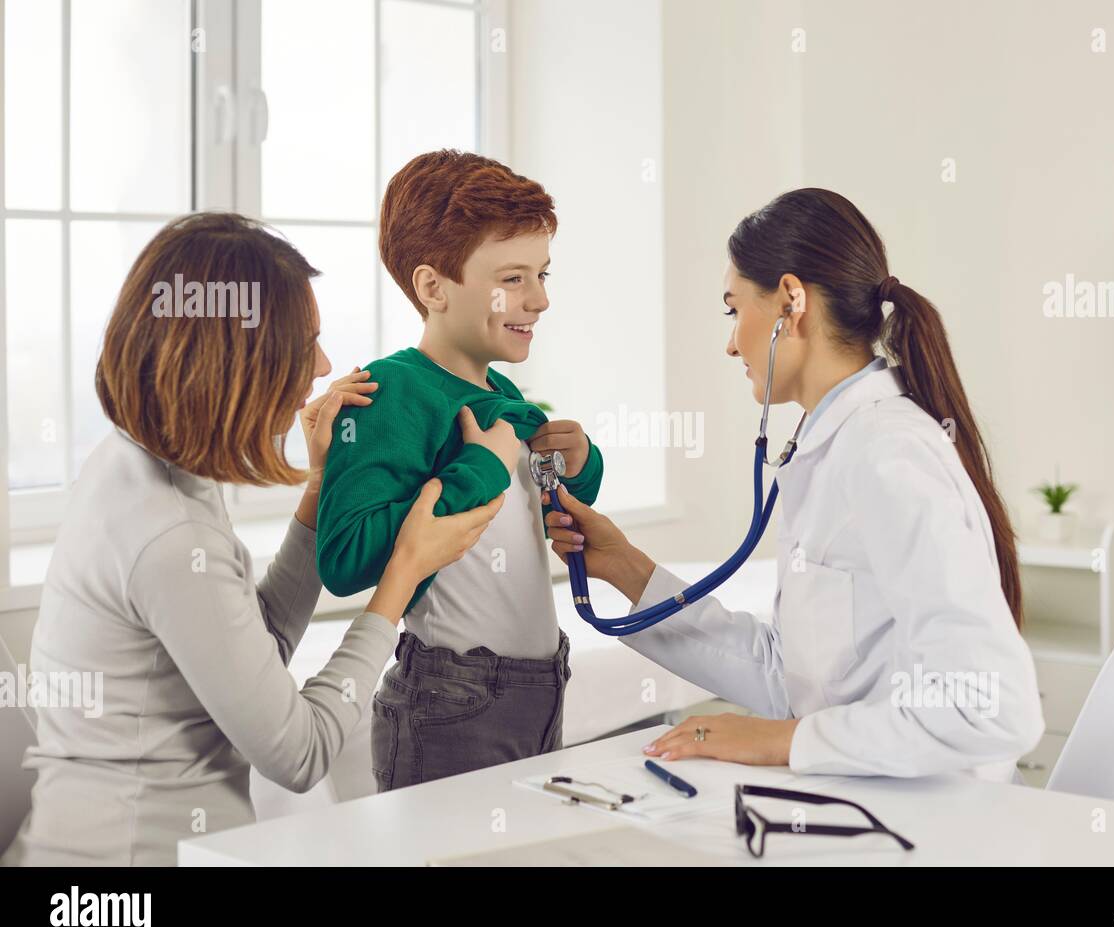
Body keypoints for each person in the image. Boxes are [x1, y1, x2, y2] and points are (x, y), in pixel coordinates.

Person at [2, 213, 502, 866]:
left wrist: (322, 490)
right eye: (305, 347)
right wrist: (403, 574)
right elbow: (300, 753)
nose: (324, 366)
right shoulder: (168, 532)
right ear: (237, 361)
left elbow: (246, 645)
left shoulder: (138, 465)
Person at [543, 188, 1045, 781]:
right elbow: (791, 676)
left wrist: (780, 741)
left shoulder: (888, 455)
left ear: (790, 300)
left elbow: (990, 709)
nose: (730, 343)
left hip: (926, 827)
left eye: (733, 310)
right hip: (865, 804)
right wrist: (624, 566)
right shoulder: (836, 443)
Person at [315, 150, 604, 788]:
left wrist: (580, 463)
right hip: (451, 702)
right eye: (515, 277)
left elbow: (545, 501)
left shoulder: (503, 396)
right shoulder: (387, 393)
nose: (541, 299)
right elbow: (343, 559)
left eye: (543, 274)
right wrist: (480, 467)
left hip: (541, 687)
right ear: (433, 287)